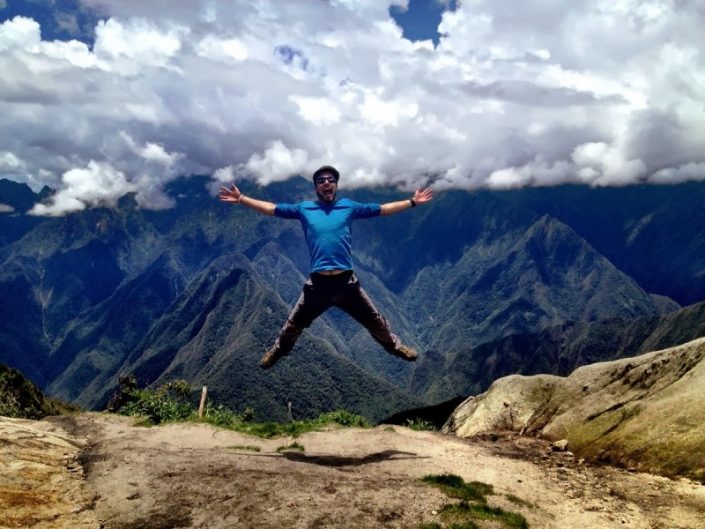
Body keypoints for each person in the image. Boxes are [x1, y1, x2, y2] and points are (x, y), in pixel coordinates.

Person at [218, 165, 433, 369]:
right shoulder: (305, 209)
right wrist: (242, 199)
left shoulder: (348, 207)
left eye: (331, 180)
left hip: (346, 284)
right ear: (316, 187)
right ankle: (277, 351)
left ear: (336, 185)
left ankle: (396, 348)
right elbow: (272, 209)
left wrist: (412, 202)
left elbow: (383, 209)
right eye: (321, 181)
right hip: (318, 285)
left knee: (375, 320)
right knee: (293, 324)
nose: (327, 183)